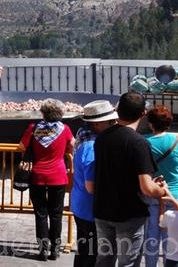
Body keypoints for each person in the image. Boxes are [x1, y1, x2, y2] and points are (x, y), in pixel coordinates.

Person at [93, 91, 168, 266]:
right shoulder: (139, 143)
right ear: (143, 114)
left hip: (103, 209)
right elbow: (147, 189)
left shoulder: (102, 137)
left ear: (117, 111)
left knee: (104, 259)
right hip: (129, 214)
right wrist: (162, 190)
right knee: (128, 262)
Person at [18, 98, 75, 261]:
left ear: (43, 112)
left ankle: (43, 250)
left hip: (37, 176)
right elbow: (72, 145)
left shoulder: (33, 128)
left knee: (40, 214)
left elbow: (22, 146)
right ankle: (55, 249)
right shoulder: (64, 129)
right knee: (56, 214)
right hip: (58, 176)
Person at [143, 105, 178, 267]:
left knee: (151, 239)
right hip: (175, 197)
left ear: (151, 124)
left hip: (152, 195)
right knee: (172, 241)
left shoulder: (144, 143)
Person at [71, 100, 118, 267]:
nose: (114, 123)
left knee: (85, 251)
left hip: (81, 204)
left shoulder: (84, 137)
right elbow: (91, 186)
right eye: (111, 121)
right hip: (89, 208)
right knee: (90, 254)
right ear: (98, 125)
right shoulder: (92, 147)